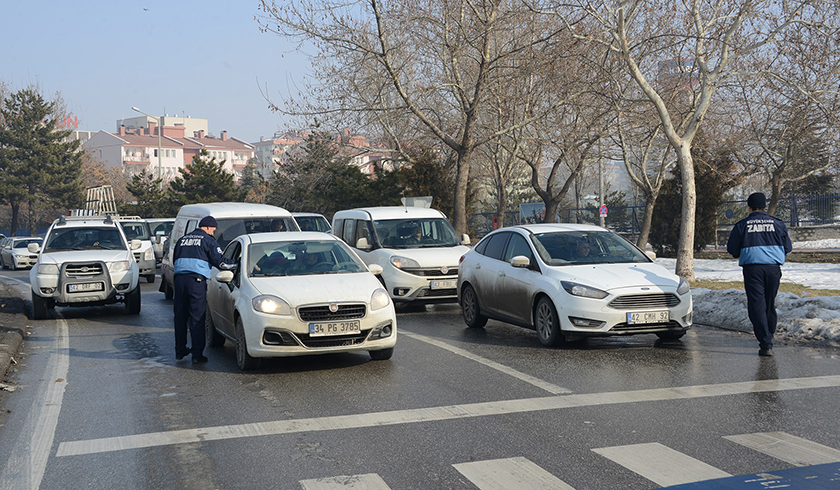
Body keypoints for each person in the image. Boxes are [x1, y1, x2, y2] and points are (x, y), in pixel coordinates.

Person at [726, 192, 792, 357]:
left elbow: (732, 250)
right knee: (769, 303)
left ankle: (765, 342)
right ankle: (769, 335)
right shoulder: (778, 224)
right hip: (773, 269)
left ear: (749, 206)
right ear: (764, 206)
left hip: (752, 269)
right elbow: (788, 248)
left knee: (757, 305)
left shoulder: (742, 225)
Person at [172, 216, 236, 364]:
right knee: (197, 317)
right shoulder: (208, 241)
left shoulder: (182, 240)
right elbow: (221, 263)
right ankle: (197, 355)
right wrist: (237, 263)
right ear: (207, 227)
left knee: (180, 317)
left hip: (180, 281)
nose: (213, 233)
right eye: (213, 230)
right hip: (196, 282)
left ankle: (180, 350)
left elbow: (175, 259)